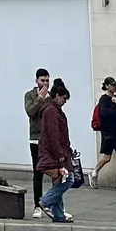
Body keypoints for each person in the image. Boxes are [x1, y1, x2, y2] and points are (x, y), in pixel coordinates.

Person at [36, 78, 76, 223]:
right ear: (57, 95)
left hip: (55, 151)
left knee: (59, 181)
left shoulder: (52, 110)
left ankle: (58, 215)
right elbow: (54, 135)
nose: (65, 101)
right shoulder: (52, 111)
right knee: (68, 179)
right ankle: (45, 201)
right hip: (55, 153)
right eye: (64, 98)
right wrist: (60, 156)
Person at [93, 77, 116, 190]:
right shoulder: (104, 99)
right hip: (108, 132)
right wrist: (113, 105)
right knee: (107, 158)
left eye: (115, 85)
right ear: (106, 86)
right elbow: (106, 114)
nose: (114, 87)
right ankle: (94, 173)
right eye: (112, 85)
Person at [25, 68, 52, 216]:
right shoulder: (29, 95)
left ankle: (55, 205)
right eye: (42, 81)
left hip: (49, 139)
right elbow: (30, 112)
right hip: (36, 138)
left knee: (57, 172)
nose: (45, 84)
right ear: (36, 81)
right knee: (38, 172)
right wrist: (40, 98)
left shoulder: (51, 96)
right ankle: (37, 205)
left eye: (47, 80)